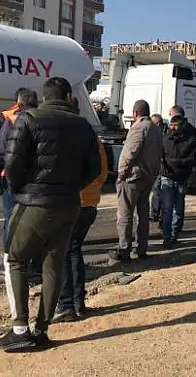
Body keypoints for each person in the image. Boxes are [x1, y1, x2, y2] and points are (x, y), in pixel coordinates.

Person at [0, 77, 101, 352]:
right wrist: (72, 187)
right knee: (54, 264)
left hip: (34, 203)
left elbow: (12, 163)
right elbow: (95, 167)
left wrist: (21, 191)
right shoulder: (83, 125)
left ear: (45, 96)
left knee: (14, 258)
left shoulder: (28, 119)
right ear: (67, 96)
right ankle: (41, 331)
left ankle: (19, 329)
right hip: (69, 204)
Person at [0, 88, 42, 277]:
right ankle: (35, 264)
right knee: (34, 221)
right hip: (36, 179)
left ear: (18, 101)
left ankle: (10, 265)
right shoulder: (43, 118)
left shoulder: (10, 118)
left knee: (11, 221)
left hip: (11, 177)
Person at [52, 135, 108, 323]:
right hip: (90, 203)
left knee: (65, 252)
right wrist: (93, 189)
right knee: (74, 249)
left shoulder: (64, 137)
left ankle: (67, 304)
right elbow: (103, 171)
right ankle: (78, 303)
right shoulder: (93, 138)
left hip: (71, 202)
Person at [109, 100, 163, 263]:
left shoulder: (138, 128)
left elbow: (129, 153)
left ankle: (124, 249)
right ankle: (142, 248)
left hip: (133, 177)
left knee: (125, 214)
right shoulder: (155, 128)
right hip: (148, 176)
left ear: (135, 113)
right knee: (143, 214)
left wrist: (121, 175)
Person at [160, 114, 196, 246]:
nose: (173, 127)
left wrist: (177, 162)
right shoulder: (165, 139)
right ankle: (166, 236)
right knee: (167, 208)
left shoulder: (190, 140)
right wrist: (163, 167)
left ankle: (174, 234)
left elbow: (193, 159)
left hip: (181, 178)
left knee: (178, 209)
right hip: (167, 177)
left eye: (175, 125)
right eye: (171, 125)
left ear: (182, 126)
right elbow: (160, 156)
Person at [150, 113, 167, 223]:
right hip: (158, 164)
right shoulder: (162, 132)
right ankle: (157, 212)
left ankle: (156, 213)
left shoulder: (164, 134)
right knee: (158, 189)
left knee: (157, 189)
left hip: (162, 165)